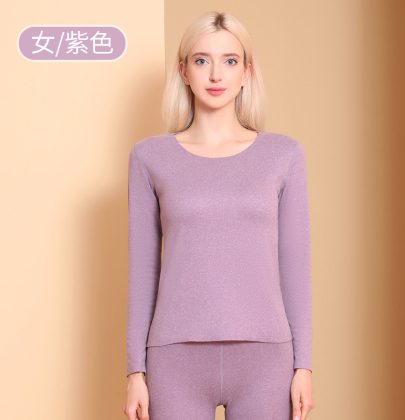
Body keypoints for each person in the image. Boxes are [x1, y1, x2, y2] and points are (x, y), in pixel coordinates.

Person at [123, 10, 315, 420]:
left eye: (230, 60)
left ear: (247, 72)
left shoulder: (283, 155)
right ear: (184, 71)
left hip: (266, 359)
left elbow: (295, 266)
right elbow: (143, 270)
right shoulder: (149, 157)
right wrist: (135, 370)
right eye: (201, 60)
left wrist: (304, 366)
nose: (216, 74)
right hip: (174, 360)